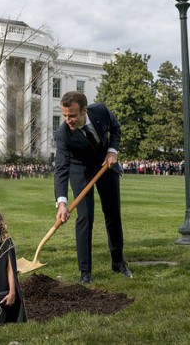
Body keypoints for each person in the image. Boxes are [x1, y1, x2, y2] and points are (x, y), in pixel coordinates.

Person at [54, 91, 132, 284]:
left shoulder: (101, 111)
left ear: (84, 110)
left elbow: (116, 128)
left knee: (113, 214)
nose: (68, 120)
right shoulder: (63, 134)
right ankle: (85, 272)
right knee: (85, 217)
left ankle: (118, 262)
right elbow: (62, 168)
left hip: (106, 165)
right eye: (65, 115)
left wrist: (112, 151)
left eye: (72, 115)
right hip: (80, 170)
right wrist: (62, 202)